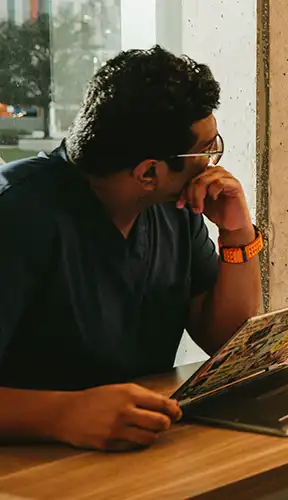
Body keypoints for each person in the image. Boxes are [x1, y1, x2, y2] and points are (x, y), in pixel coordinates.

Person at [0, 47, 262, 451]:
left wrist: (237, 233)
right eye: (207, 149)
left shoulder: (173, 208)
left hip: (143, 449)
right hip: (33, 467)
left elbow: (227, 341)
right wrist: (61, 414)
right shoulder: (16, 213)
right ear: (149, 172)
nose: (213, 165)